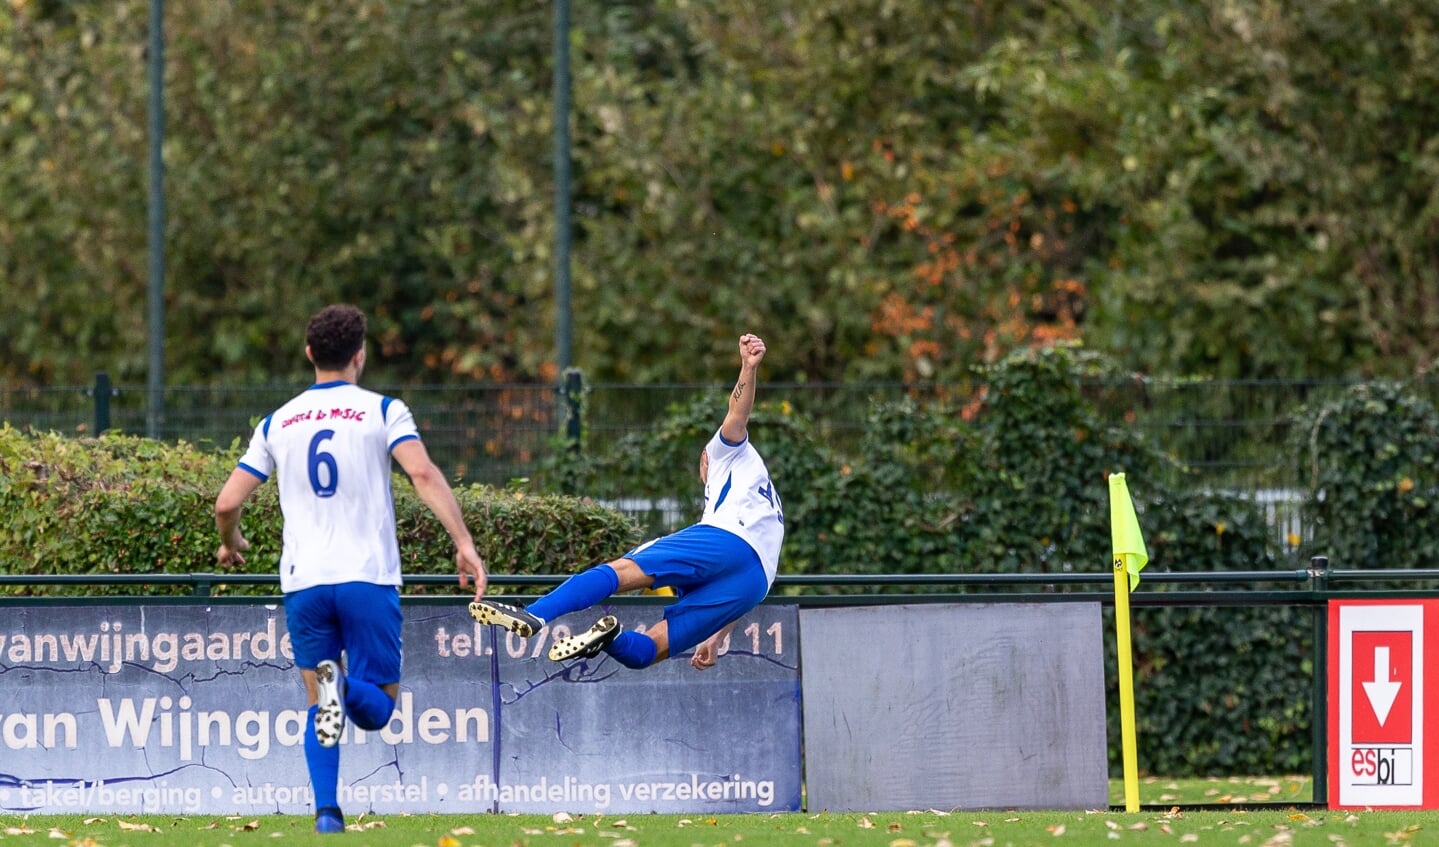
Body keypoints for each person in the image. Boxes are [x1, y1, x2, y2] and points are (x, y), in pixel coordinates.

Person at [213, 304, 486, 834]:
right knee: (379, 710)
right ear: (360, 355)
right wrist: (463, 542)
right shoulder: (382, 410)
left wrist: (232, 542)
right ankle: (342, 690)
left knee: (321, 702)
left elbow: (227, 503)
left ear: (310, 353)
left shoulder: (277, 422)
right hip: (367, 576)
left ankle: (327, 816)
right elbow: (422, 473)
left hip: (304, 582)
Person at [469, 333, 783, 671]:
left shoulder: (722, 454)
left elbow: (737, 415)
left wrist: (747, 368)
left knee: (621, 571)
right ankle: (610, 637)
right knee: (650, 650)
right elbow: (743, 565)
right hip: (755, 582)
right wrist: (717, 637)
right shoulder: (760, 495)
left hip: (726, 540)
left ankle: (536, 614)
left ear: (705, 458)